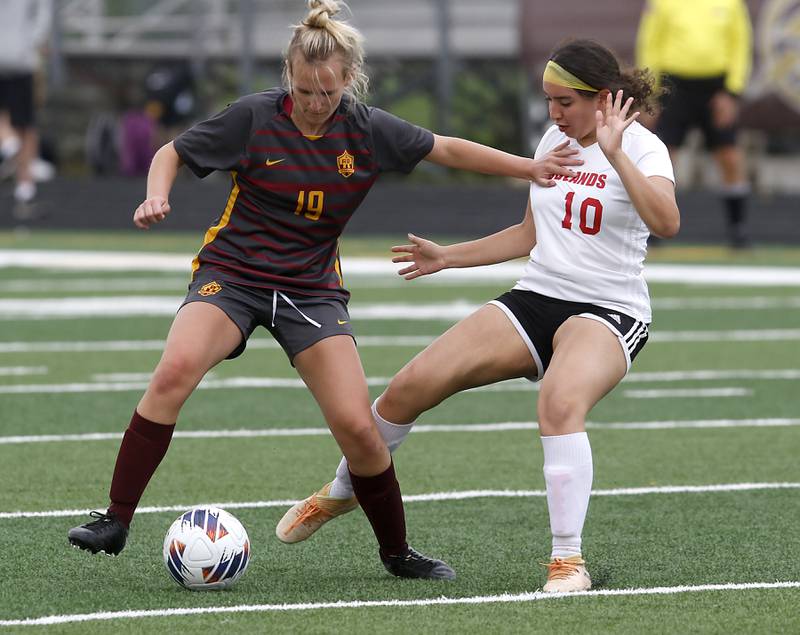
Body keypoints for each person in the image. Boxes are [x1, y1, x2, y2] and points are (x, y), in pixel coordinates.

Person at [67, 0, 581, 581]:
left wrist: (528, 168)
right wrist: (155, 194)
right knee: (174, 370)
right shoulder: (255, 117)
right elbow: (172, 153)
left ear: (348, 81)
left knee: (359, 427)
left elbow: (449, 148)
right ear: (290, 77)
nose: (316, 103)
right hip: (233, 275)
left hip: (310, 290)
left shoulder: (366, 129)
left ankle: (397, 554)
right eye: (306, 91)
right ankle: (115, 518)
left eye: (328, 93)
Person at [276, 38, 680, 592]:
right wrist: (448, 257)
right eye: (549, 101)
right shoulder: (554, 139)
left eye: (564, 102)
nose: (552, 114)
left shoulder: (642, 148)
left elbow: (667, 222)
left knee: (559, 403)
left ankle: (568, 562)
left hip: (609, 308)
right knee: (409, 387)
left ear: (603, 98)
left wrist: (614, 152)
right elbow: (528, 235)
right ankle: (344, 489)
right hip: (538, 294)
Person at [636, 0, 752, 248]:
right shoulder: (661, 3)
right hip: (674, 84)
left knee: (729, 156)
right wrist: (651, 93)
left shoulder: (732, 4)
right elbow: (650, 44)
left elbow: (740, 47)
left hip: (716, 87)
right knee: (662, 155)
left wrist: (732, 92)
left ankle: (738, 229)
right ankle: (655, 225)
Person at [0, 0, 52, 202]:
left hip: (19, 56)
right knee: (25, 122)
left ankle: (10, 146)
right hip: (22, 57)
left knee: (23, 121)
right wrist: (33, 43)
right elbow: (43, 18)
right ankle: (25, 181)